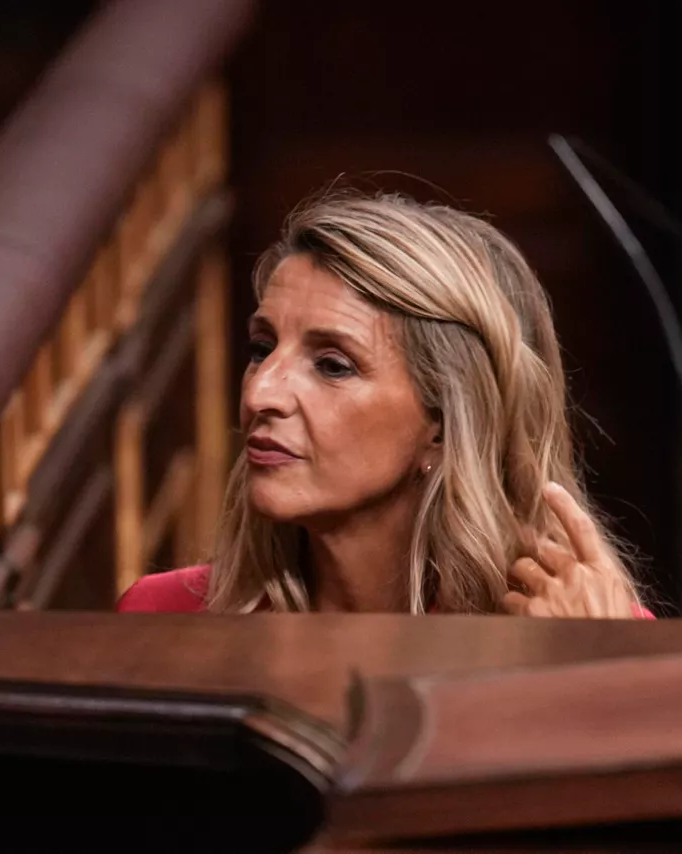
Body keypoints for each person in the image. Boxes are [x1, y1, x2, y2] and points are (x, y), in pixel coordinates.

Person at [119, 191, 651, 619]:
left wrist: (595, 666)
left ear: (443, 424)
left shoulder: (581, 630)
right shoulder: (162, 615)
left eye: (332, 365)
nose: (261, 393)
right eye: (262, 349)